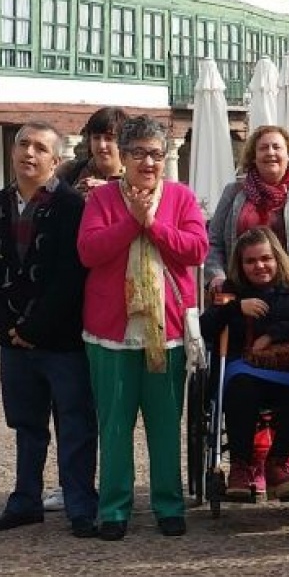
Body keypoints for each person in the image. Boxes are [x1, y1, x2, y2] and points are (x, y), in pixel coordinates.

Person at [78, 115, 208, 540]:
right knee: (114, 424)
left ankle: (167, 503)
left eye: (156, 153)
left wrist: (153, 223)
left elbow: (196, 249)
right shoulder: (101, 200)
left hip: (165, 330)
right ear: (123, 155)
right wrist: (132, 221)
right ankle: (114, 508)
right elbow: (89, 252)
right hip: (112, 332)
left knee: (165, 423)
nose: (149, 162)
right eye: (139, 154)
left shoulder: (181, 197)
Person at [0, 122, 99, 539]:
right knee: (26, 424)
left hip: (62, 340)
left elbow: (71, 274)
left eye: (40, 147)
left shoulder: (72, 207)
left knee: (75, 423)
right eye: (23, 144)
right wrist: (9, 326)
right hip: (15, 343)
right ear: (13, 152)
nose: (30, 153)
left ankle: (80, 502)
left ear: (56, 159)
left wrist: (36, 326)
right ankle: (25, 499)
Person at [204, 124, 289, 501]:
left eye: (277, 148)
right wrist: (222, 281)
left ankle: (278, 461)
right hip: (238, 292)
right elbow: (213, 242)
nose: (270, 154)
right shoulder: (235, 192)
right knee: (239, 380)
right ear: (252, 156)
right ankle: (244, 463)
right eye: (262, 149)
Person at [201, 227, 289, 503]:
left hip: (288, 367)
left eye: (265, 259)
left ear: (277, 258)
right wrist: (236, 307)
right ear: (240, 265)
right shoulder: (231, 291)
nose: (259, 266)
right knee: (241, 387)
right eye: (251, 261)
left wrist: (272, 335)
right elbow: (207, 326)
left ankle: (278, 460)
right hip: (244, 369)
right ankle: (241, 465)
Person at [45, 106, 127, 514]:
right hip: (71, 301)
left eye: (111, 137)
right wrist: (80, 201)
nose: (103, 145)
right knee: (72, 404)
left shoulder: (138, 179)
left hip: (120, 302)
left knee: (116, 406)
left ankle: (117, 484)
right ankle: (73, 482)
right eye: (97, 136)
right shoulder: (68, 178)